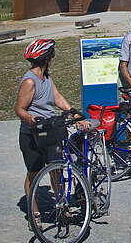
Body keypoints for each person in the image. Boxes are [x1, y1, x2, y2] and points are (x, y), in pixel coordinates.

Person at [15, 38, 92, 217]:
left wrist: (75, 114)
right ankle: (33, 212)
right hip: (32, 133)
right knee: (34, 173)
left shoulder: (46, 78)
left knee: (57, 169)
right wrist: (29, 117)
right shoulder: (30, 81)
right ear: (48, 57)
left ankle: (61, 206)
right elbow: (19, 109)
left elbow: (57, 98)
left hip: (49, 131)